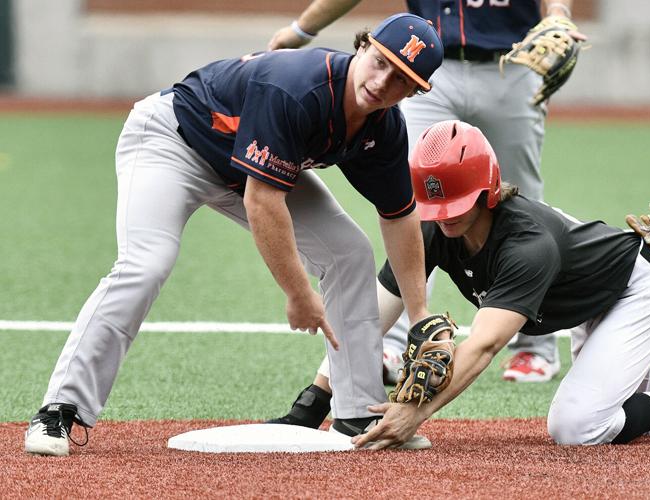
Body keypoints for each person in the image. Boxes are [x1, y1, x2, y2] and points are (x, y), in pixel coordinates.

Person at [23, 13, 445, 457]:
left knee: (349, 252)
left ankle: (358, 413)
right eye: (380, 62)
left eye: (401, 79)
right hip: (173, 142)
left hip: (245, 172)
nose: (382, 83)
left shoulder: (385, 129)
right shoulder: (297, 86)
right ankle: (58, 409)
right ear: (362, 47)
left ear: (415, 92)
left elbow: (399, 217)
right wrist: (299, 293)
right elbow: (263, 202)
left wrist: (419, 317)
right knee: (146, 264)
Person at [279, 120, 650, 448]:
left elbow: (486, 344)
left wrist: (414, 414)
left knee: (577, 426)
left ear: (489, 191)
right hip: (589, 296)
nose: (444, 217)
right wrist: (315, 397)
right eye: (434, 205)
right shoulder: (436, 227)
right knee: (618, 409)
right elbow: (370, 314)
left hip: (643, 285)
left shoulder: (526, 246)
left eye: (456, 204)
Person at [269, 0, 588, 384]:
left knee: (519, 201)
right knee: (411, 196)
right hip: (423, 74)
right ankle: (399, 340)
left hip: (512, 65)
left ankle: (535, 348)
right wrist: (302, 29)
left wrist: (557, 11)